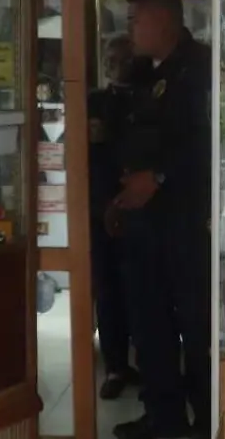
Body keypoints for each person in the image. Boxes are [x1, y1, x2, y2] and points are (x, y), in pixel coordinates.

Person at [110, 0, 212, 439]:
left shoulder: (200, 68)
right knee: (149, 324)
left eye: (136, 19)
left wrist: (160, 176)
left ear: (164, 18)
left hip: (185, 222)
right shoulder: (139, 73)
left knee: (195, 326)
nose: (129, 28)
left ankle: (205, 420)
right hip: (141, 223)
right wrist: (118, 197)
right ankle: (162, 417)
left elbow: (207, 143)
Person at [88, 34, 139, 399]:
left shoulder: (148, 98)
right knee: (107, 291)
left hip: (140, 207)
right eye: (109, 59)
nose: (114, 66)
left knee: (142, 290)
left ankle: (153, 366)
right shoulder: (94, 100)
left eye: (122, 59)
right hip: (100, 205)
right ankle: (116, 366)